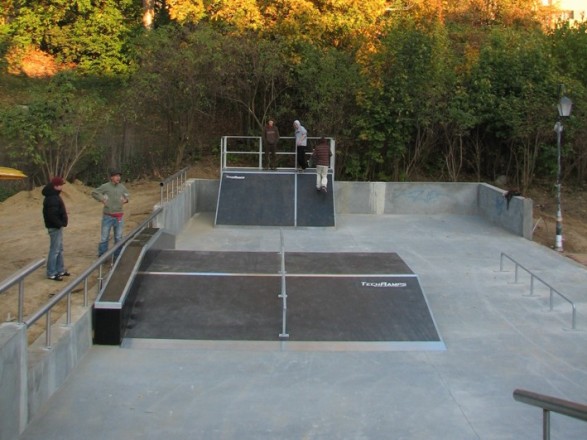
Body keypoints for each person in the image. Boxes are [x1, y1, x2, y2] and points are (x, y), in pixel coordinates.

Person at [91, 169, 129, 259]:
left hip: (119, 216)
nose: (118, 178)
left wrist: (125, 200)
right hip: (108, 216)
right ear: (112, 177)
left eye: (119, 176)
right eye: (116, 176)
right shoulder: (106, 186)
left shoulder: (122, 187)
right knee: (104, 237)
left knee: (119, 237)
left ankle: (118, 256)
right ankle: (102, 256)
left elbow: (127, 195)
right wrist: (102, 199)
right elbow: (94, 192)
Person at [42, 176, 70, 281]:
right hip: (54, 227)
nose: (62, 187)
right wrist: (60, 223)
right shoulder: (51, 198)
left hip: (56, 226)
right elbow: (51, 215)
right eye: (61, 185)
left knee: (59, 249)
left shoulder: (54, 196)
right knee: (55, 250)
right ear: (56, 186)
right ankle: (51, 272)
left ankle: (60, 269)